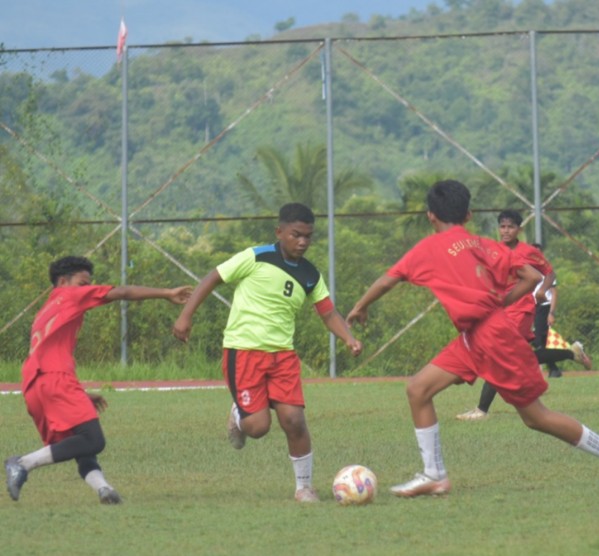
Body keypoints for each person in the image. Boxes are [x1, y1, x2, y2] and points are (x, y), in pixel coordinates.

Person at [346, 179, 599, 500]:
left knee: (535, 416)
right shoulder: (484, 244)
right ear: (468, 214)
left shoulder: (427, 248)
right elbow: (532, 277)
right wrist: (501, 302)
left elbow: (388, 280)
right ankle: (435, 475)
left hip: (493, 337)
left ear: (431, 216)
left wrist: (360, 307)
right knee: (418, 389)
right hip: (476, 336)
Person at [172, 203, 363, 503]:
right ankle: (239, 415)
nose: (302, 242)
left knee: (294, 420)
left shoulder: (310, 274)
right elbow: (213, 277)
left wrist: (349, 338)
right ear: (280, 231)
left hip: (283, 357)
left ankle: (304, 487)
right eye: (296, 235)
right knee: (258, 427)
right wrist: (185, 316)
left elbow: (328, 313)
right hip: (244, 352)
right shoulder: (256, 256)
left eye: (308, 237)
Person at [5, 256, 192, 504]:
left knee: (82, 445)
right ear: (63, 281)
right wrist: (167, 292)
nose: (87, 289)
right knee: (92, 439)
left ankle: (104, 490)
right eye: (83, 283)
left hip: (35, 386)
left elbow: (48, 355)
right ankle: (22, 463)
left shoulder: (46, 309)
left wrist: (79, 392)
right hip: (54, 380)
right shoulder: (70, 295)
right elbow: (122, 292)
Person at [456, 220, 590, 421]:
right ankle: (571, 353)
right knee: (523, 357)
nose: (506, 230)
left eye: (510, 226)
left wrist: (543, 290)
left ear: (519, 229)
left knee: (499, 356)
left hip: (521, 309)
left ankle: (482, 410)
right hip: (501, 311)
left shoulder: (527, 251)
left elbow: (549, 272)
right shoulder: (494, 250)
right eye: (502, 226)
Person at [529, 243, 592, 379]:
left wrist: (551, 313)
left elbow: (554, 293)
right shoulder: (527, 270)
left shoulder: (547, 271)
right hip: (531, 307)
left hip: (544, 307)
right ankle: (555, 368)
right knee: (541, 342)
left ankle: (566, 357)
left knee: (537, 340)